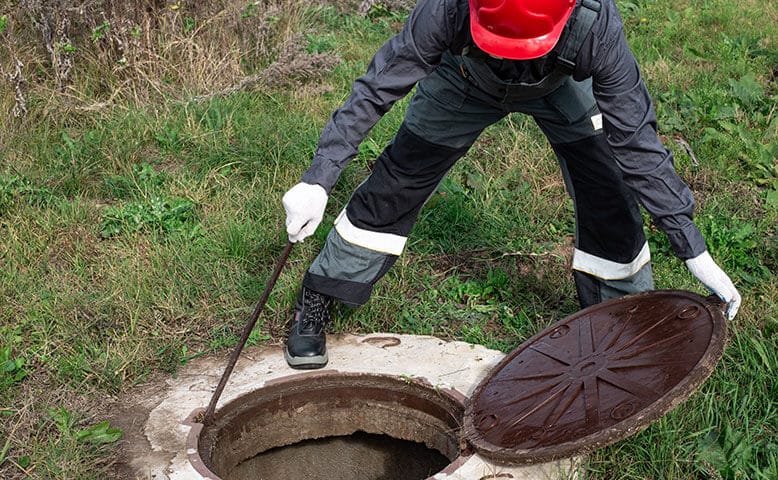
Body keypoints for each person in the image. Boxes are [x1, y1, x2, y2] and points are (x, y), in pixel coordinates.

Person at [280, 0, 742, 369]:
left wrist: (691, 247)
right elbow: (377, 88)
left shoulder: (597, 25)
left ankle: (615, 318)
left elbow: (637, 141)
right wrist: (317, 180)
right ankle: (318, 297)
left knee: (608, 186)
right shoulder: (446, 9)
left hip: (559, 85)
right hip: (463, 80)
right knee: (400, 176)